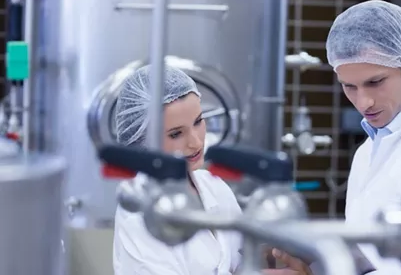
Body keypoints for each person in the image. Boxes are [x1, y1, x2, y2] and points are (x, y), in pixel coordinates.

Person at [112, 65, 312, 275]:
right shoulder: (141, 212)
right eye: (176, 134)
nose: (196, 141)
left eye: (198, 121)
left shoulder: (213, 185)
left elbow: (233, 264)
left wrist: (271, 256)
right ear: (144, 141)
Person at [326, 0, 401, 275]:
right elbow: (370, 254)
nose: (364, 102)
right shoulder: (368, 149)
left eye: (376, 82)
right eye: (350, 87)